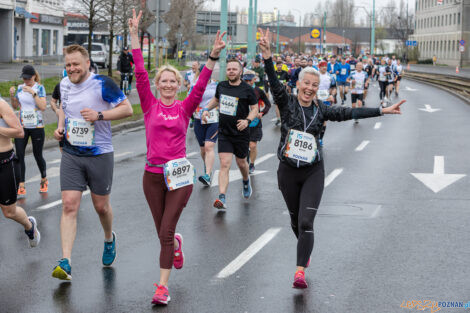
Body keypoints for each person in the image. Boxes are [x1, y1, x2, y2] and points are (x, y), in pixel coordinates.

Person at [258, 28, 405, 289]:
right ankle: (305, 249)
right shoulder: (287, 101)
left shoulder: (322, 109)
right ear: (299, 84)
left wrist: (382, 110)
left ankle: (300, 271)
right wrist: (268, 57)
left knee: (306, 221)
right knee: (295, 221)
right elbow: (273, 80)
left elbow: (349, 112)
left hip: (313, 170)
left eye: (315, 86)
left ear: (318, 89)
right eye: (306, 84)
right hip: (288, 171)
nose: (310, 89)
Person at [130, 10, 225, 305]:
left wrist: (212, 57)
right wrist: (134, 34)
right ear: (158, 85)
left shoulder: (185, 108)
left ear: (178, 85)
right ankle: (175, 245)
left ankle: (161, 287)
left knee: (167, 230)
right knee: (163, 232)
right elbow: (140, 72)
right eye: (165, 81)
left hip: (179, 177)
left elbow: (200, 86)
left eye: (173, 81)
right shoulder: (148, 105)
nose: (169, 84)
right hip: (152, 177)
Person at [51, 44, 133, 281]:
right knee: (68, 205)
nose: (71, 68)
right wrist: (59, 128)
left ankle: (109, 238)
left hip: (100, 153)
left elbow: (127, 109)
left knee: (101, 207)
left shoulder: (103, 84)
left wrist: (99, 116)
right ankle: (65, 262)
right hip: (72, 152)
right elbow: (64, 110)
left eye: (76, 64)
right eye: (68, 65)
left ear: (87, 63)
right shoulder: (64, 84)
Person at [202, 59, 259, 210]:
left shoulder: (247, 89)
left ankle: (246, 181)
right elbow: (215, 100)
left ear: (240, 71)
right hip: (224, 132)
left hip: (241, 133)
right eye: (229, 69)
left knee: (241, 163)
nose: (231, 71)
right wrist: (206, 109)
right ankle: (222, 197)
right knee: (224, 164)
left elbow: (255, 109)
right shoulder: (221, 86)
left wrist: (247, 120)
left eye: (234, 69)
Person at [0, 98, 40, 248]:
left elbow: (19, 132)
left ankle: (30, 227)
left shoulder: (1, 105)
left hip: (4, 163)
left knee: (9, 212)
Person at [9, 65, 48, 195]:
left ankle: (43, 179)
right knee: (19, 155)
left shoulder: (39, 88)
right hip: (22, 127)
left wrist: (33, 93)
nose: (25, 81)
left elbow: (43, 107)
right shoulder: (20, 88)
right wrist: (12, 96)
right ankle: (21, 184)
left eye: (27, 78)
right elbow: (15, 106)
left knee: (38, 155)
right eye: (23, 78)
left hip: (37, 127)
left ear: (33, 77)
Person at [193, 65, 218, 186]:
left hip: (214, 119)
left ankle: (207, 175)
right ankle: (207, 167)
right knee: (203, 149)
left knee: (209, 146)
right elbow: (190, 101)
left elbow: (222, 99)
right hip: (199, 119)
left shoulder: (216, 85)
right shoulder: (195, 86)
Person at [242, 69, 271, 173]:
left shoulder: (258, 91)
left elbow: (268, 104)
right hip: (242, 122)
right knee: (244, 146)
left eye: (250, 80)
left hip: (255, 122)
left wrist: (261, 113)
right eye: (246, 81)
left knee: (252, 145)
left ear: (254, 80)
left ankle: (252, 164)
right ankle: (245, 161)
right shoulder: (240, 90)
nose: (248, 83)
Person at [316, 61, 336, 145]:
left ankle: (320, 138)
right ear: (319, 67)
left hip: (326, 100)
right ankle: (314, 136)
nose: (324, 68)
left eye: (325, 66)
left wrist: (332, 95)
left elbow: (334, 88)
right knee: (315, 118)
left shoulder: (330, 76)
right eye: (322, 66)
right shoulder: (315, 75)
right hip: (315, 100)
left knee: (324, 120)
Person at [51, 82, 64, 152]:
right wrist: (56, 110)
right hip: (63, 123)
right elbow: (53, 101)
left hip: (81, 123)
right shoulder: (61, 85)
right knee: (63, 149)